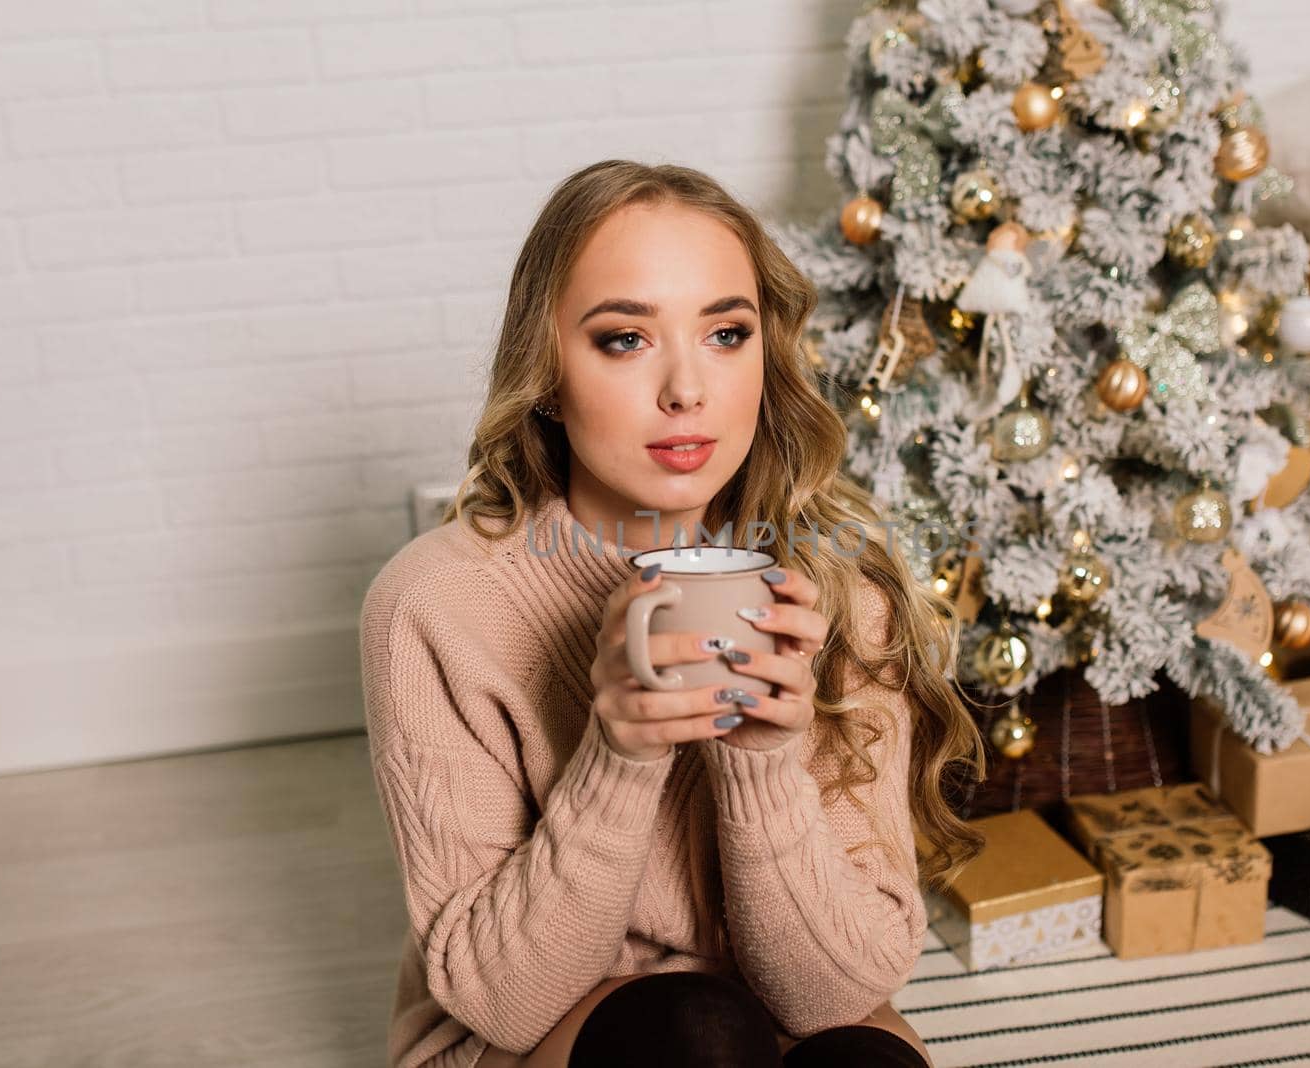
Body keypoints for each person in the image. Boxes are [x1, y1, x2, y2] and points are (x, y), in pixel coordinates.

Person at [358, 159, 987, 1068]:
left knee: (866, 1061)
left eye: (727, 333)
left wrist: (764, 759)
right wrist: (618, 756)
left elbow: (840, 995)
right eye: (625, 339)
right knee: (691, 1036)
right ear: (544, 373)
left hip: (778, 1002)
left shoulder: (841, 590)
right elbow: (500, 998)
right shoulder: (434, 604)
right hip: (541, 1026)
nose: (687, 388)